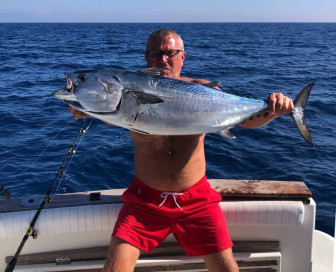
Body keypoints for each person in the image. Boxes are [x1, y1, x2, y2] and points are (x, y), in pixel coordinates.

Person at [70, 29, 294, 272]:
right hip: (144, 202)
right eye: (155, 54)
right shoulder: (124, 94)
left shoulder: (204, 89)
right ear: (146, 57)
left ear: (183, 56)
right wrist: (82, 106)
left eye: (170, 53)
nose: (163, 60)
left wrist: (271, 112)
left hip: (197, 201)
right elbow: (103, 108)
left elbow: (245, 121)